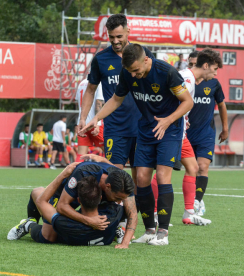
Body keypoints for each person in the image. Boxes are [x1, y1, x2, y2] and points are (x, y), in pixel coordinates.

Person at [81, 44, 194, 245]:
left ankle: (163, 233)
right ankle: (149, 230)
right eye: (130, 72)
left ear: (146, 60)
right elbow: (115, 99)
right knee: (141, 178)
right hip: (145, 129)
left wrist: (167, 120)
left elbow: (187, 102)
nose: (134, 75)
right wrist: (96, 118)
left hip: (169, 130)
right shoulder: (128, 74)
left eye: (137, 71)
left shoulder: (167, 72)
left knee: (161, 176)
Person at [78, 14, 155, 182]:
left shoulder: (144, 53)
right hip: (115, 128)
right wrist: (83, 118)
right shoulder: (101, 58)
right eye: (111, 37)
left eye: (119, 36)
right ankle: (116, 209)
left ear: (128, 31)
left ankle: (138, 209)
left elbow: (155, 85)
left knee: (141, 179)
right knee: (114, 177)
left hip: (142, 126)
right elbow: (90, 90)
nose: (115, 41)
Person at [150, 50, 221, 225]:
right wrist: (172, 120)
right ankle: (153, 212)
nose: (216, 73)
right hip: (170, 132)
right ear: (205, 66)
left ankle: (189, 213)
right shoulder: (186, 79)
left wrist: (183, 119)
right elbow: (165, 102)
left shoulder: (190, 79)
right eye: (214, 69)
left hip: (179, 130)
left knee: (193, 167)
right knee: (162, 172)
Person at [9, 155, 137, 249]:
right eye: (118, 198)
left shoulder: (123, 182)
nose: (120, 201)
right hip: (68, 193)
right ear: (107, 187)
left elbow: (132, 213)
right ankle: (28, 224)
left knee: (125, 207)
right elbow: (62, 206)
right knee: (49, 237)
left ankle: (117, 229)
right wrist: (89, 221)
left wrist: (125, 243)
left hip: (95, 196)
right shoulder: (83, 173)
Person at [184, 50, 227, 216]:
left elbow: (222, 105)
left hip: (206, 133)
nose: (194, 66)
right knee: (190, 169)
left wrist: (225, 128)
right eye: (191, 63)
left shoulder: (213, 84)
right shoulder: (185, 81)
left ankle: (197, 201)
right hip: (186, 133)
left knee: (202, 166)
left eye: (196, 63)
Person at [76, 79, 105, 160]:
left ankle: (76, 172)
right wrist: (97, 122)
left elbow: (79, 102)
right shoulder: (99, 83)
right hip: (94, 123)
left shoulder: (81, 83)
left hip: (82, 123)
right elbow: (98, 104)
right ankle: (113, 172)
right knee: (110, 153)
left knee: (81, 156)